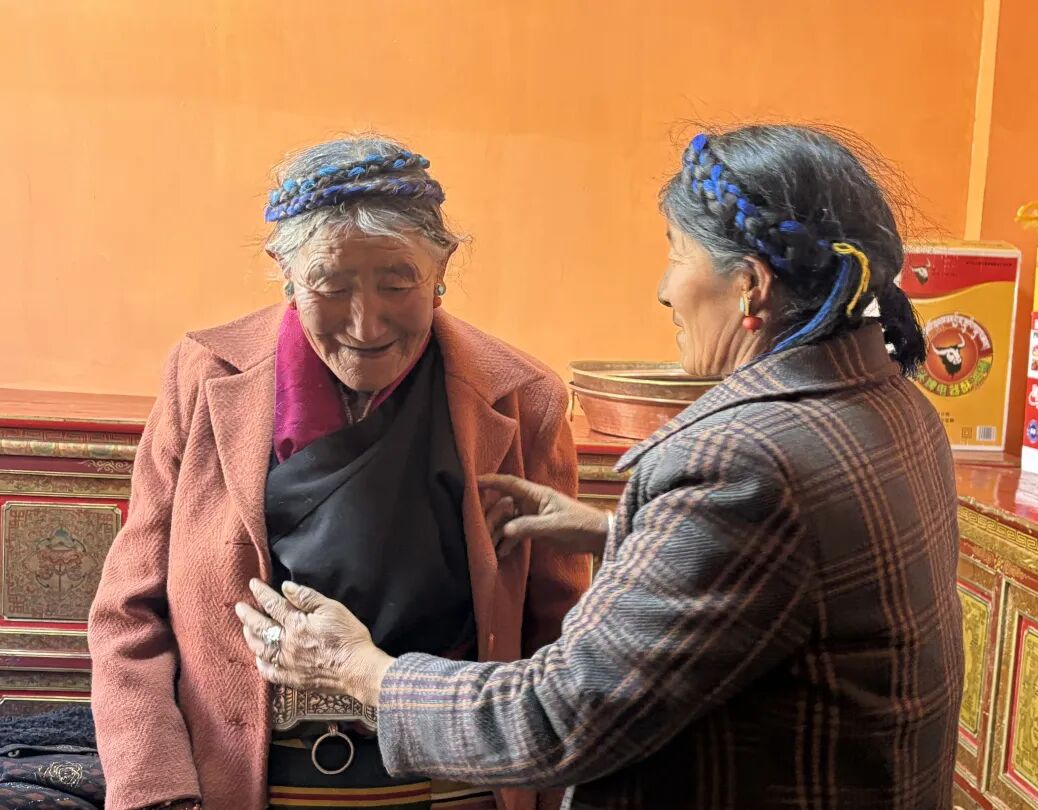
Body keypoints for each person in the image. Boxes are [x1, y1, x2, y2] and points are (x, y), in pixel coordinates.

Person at [238, 124, 965, 809]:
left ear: (750, 284)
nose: (664, 288)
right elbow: (786, 571)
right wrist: (623, 531)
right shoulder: (891, 402)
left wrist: (361, 670)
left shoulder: (737, 463)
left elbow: (553, 718)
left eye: (677, 253)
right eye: (331, 285)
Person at [88, 135, 590, 810]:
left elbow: (557, 635)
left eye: (398, 284)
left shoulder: (521, 399)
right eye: (330, 285)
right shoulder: (203, 379)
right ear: (285, 272)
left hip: (457, 787)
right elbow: (129, 614)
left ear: (443, 267)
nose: (366, 324)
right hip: (247, 784)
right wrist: (156, 793)